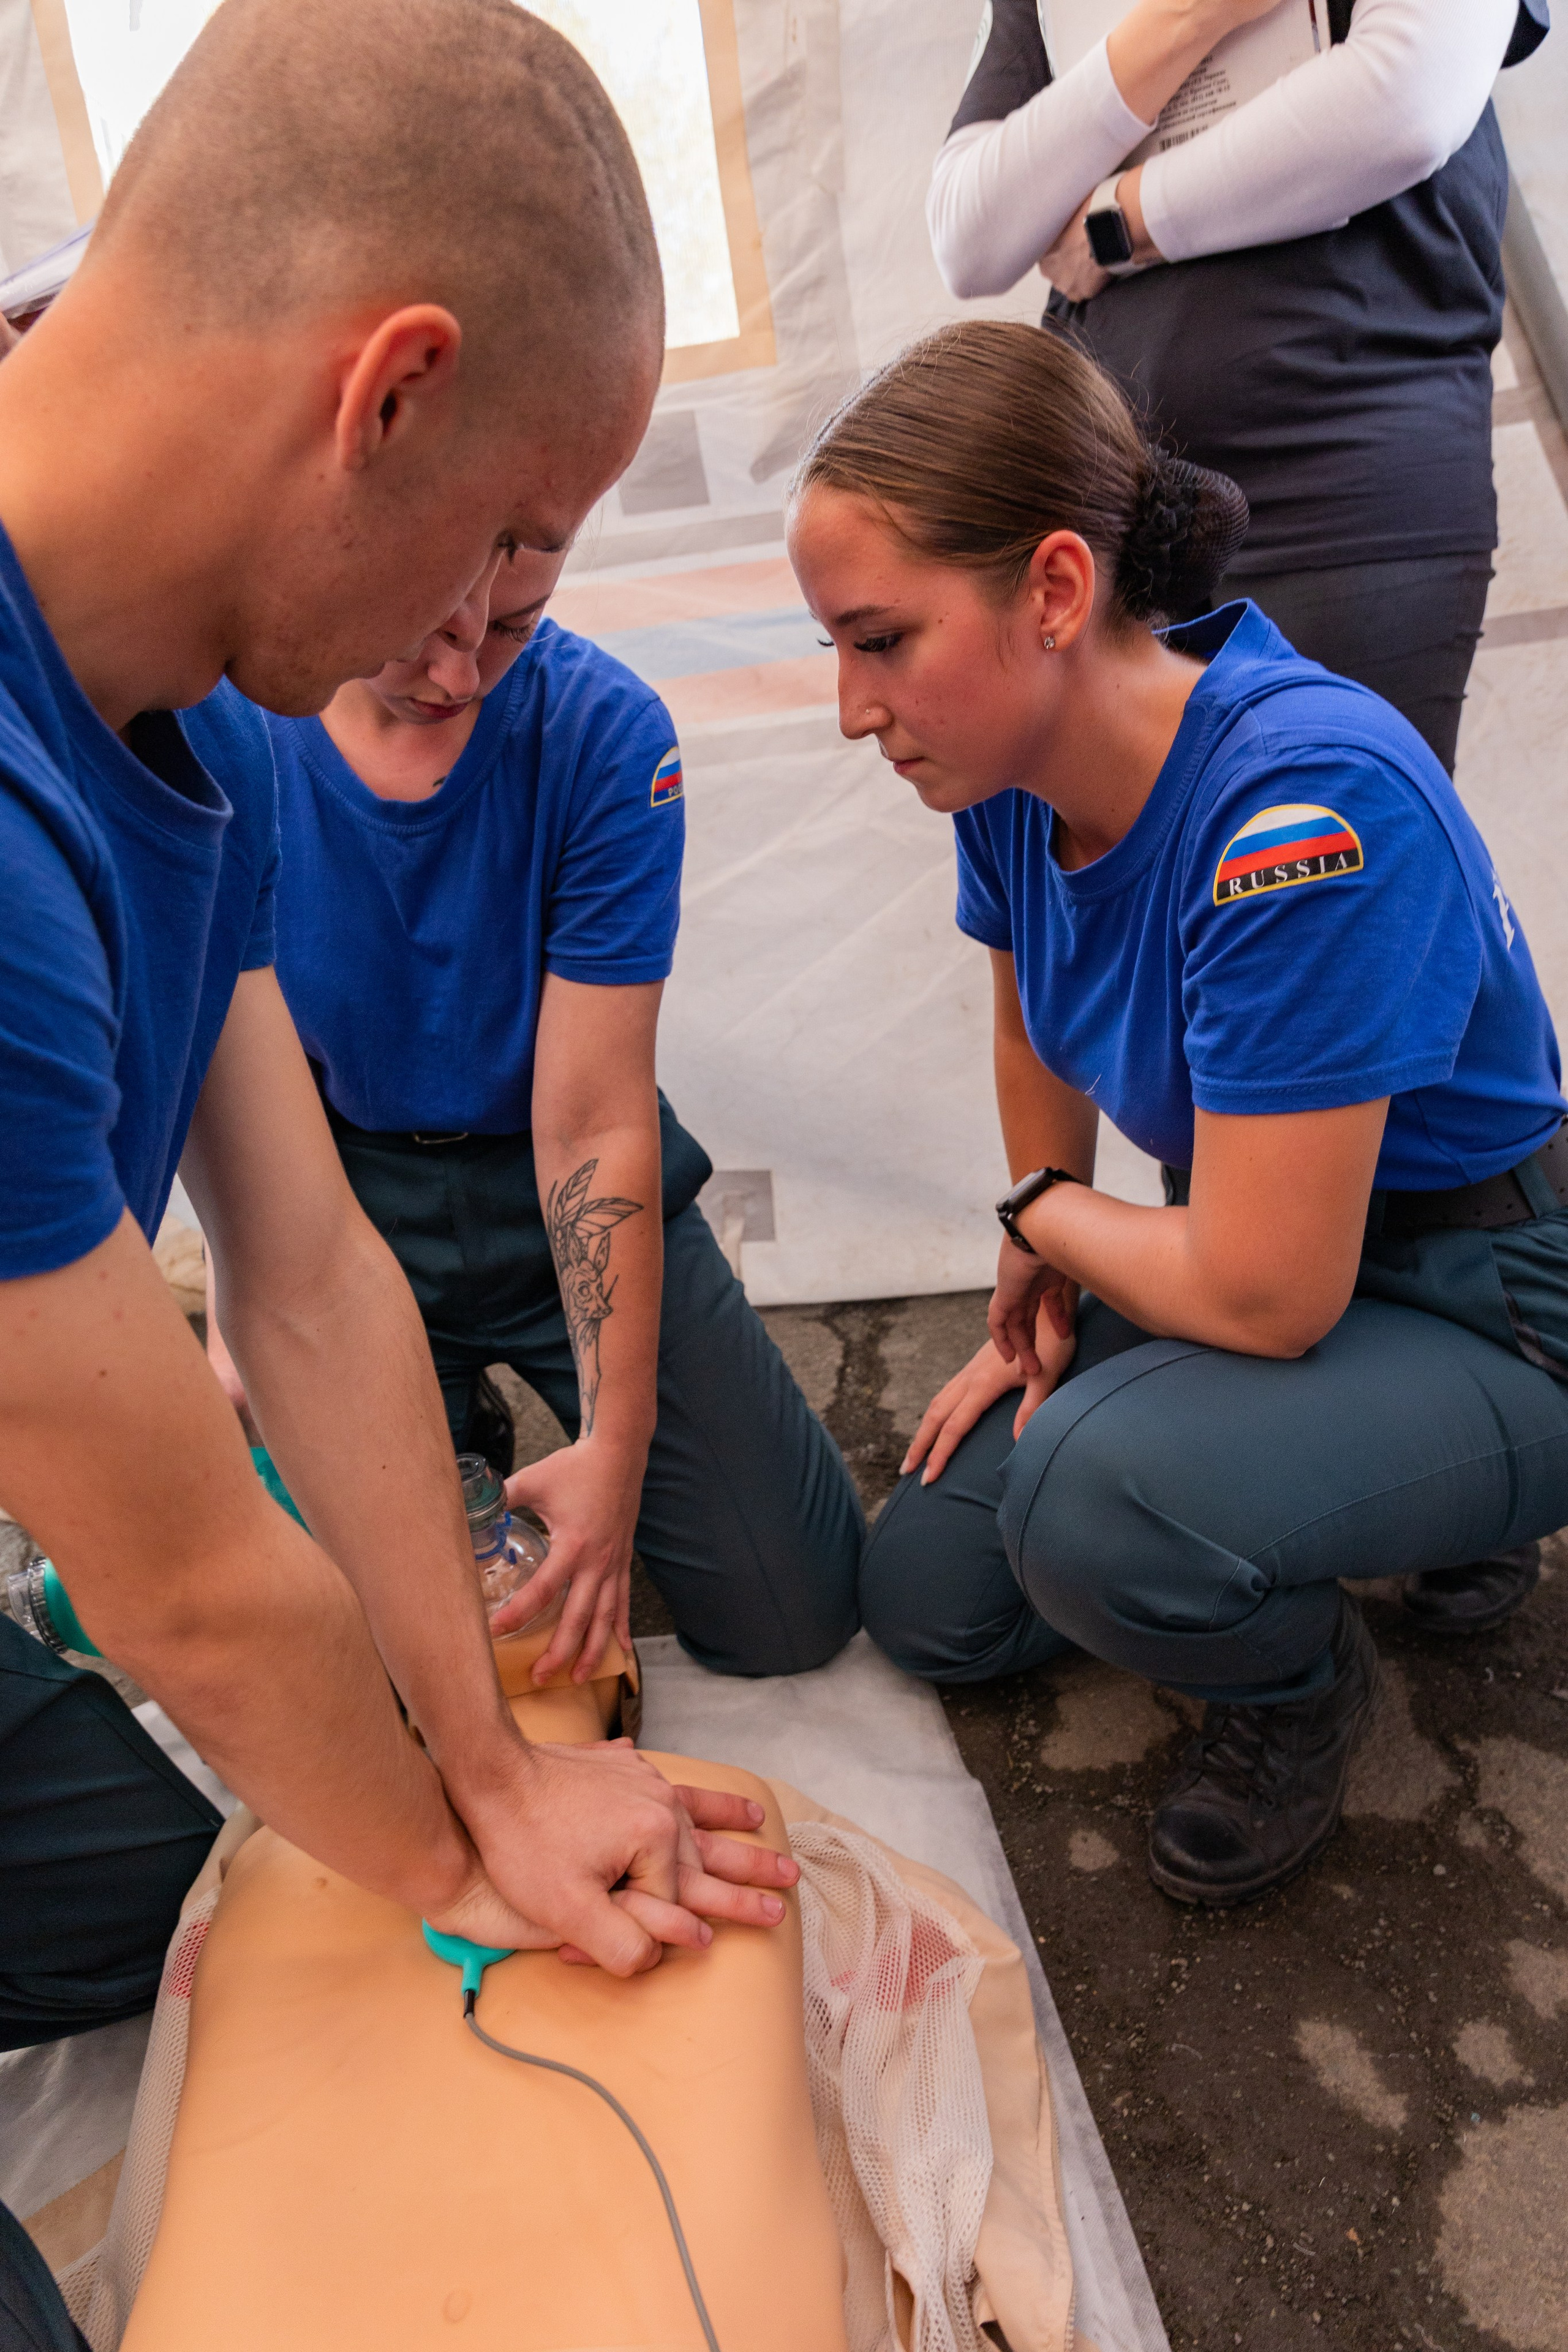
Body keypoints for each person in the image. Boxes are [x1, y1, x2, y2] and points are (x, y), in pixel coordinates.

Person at [0, 0, 802, 2242]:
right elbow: (187, 1587)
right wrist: (469, 1851)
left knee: (206, 1868)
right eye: (510, 531)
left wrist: (477, 1767)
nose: (482, 627)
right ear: (390, 393)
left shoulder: (195, 707)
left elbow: (306, 1263)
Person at [786, 320, 1568, 1909]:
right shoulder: (1006, 778)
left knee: (1092, 1499)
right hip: (1273, 1246)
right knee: (933, 1593)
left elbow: (1270, 1297)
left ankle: (1298, 1685)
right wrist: (1044, 1258)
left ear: (1054, 590)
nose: (854, 708)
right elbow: (1033, 1019)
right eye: (836, 652)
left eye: (881, 641)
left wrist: (1042, 1219)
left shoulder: (1300, 810)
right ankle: (1351, 1500)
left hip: (1486, 1290)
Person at [205, 560, 862, 1689]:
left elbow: (593, 1123)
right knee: (361, 1656)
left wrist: (616, 1444)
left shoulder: (604, 731)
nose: (459, 676)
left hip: (561, 1177)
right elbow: (233, 1077)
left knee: (791, 1615)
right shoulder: (232, 732)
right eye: (416, 627)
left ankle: (475, 1433)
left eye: (511, 626)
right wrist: (246, 1304)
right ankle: (454, 1427)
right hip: (345, 1192)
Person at [927, 0, 1551, 775]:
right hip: (1107, 511)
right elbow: (969, 233)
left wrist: (1116, 222)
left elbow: (1408, 102)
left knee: (1327, 829)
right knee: (1131, 851)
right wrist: (1187, 19)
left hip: (1340, 489)